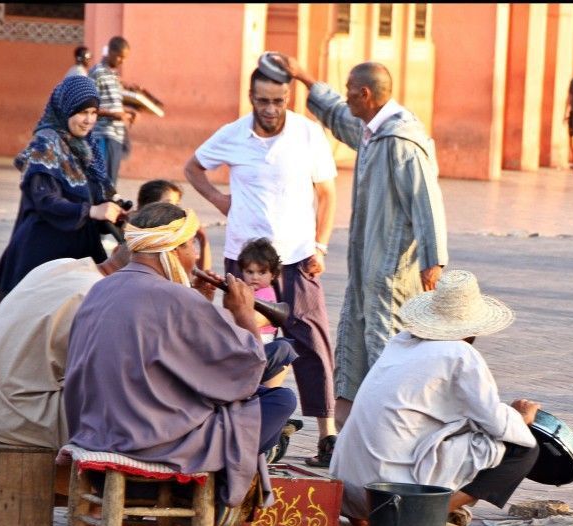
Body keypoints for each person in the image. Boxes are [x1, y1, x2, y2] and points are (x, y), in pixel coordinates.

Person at [63, 202, 298, 508]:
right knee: (280, 400)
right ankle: (201, 505)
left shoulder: (101, 289)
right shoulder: (176, 296)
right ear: (170, 250)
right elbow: (246, 372)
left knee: (257, 394)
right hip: (150, 444)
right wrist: (243, 315)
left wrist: (199, 301)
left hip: (96, 433)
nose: (196, 256)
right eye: (191, 246)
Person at [275, 54, 450, 436]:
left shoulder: (403, 141)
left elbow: (427, 201)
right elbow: (338, 116)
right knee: (354, 353)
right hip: (364, 272)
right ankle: (349, 442)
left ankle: (389, 438)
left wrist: (434, 262)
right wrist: (305, 77)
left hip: (389, 272)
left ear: (367, 95)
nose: (347, 99)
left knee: (387, 352)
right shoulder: (373, 131)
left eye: (352, 94)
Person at [185, 66, 339, 467]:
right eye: (263, 101)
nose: (271, 109)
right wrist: (221, 201)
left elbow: (326, 194)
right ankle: (254, 422)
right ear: (250, 97)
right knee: (247, 340)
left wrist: (320, 246)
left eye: (279, 101)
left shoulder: (307, 133)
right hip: (245, 259)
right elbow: (193, 168)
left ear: (288, 97)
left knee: (312, 341)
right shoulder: (233, 134)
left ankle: (327, 434)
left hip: (298, 255)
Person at [330, 270, 541, 526]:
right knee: (523, 449)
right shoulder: (460, 354)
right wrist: (522, 419)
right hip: (389, 493)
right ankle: (419, 520)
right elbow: (495, 421)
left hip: (350, 488)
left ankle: (365, 521)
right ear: (473, 327)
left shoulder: (400, 343)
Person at [0, 246, 131, 450]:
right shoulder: (101, 297)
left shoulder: (59, 265)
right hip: (17, 420)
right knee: (133, 412)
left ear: (114, 250)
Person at [0, 74, 125, 304]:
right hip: (41, 256)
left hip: (78, 255)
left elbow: (99, 191)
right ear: (65, 110)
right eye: (82, 112)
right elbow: (45, 201)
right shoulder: (45, 144)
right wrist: (92, 211)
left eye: (94, 113)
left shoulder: (88, 147)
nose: (88, 120)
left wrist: (115, 209)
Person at [89, 36, 137, 185]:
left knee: (111, 184)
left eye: (124, 58)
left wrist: (127, 112)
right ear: (110, 52)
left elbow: (113, 103)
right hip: (103, 134)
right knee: (103, 183)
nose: (121, 61)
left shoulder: (114, 75)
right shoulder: (97, 72)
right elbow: (90, 106)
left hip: (117, 135)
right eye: (120, 57)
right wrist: (114, 115)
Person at [136, 179, 211, 271]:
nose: (175, 210)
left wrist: (203, 240)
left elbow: (203, 275)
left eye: (177, 205)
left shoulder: (176, 236)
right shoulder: (136, 238)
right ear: (149, 206)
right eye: (169, 204)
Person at [237, 238, 282, 344]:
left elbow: (255, 320)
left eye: (261, 273)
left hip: (263, 338)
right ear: (242, 271)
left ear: (273, 275)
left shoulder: (266, 293)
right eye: (250, 272)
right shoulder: (246, 289)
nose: (255, 277)